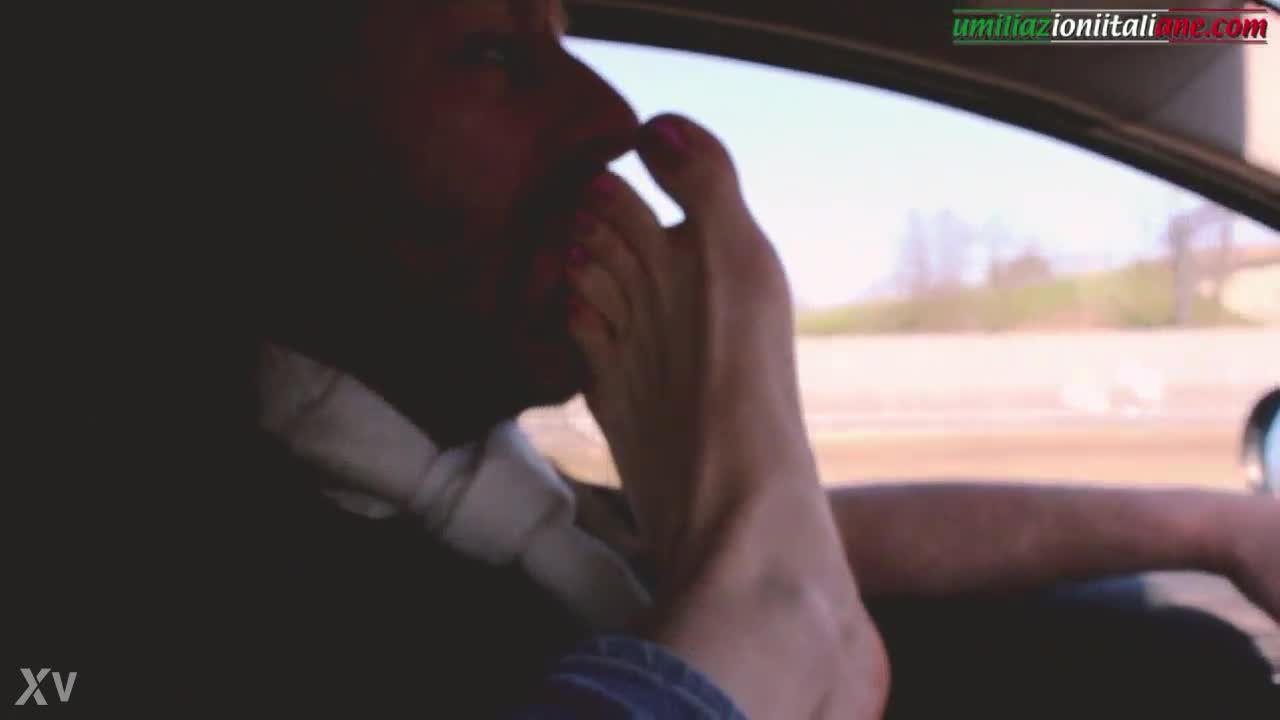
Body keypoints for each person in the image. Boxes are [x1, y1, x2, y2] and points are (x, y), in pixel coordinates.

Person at [16, 0, 1277, 717]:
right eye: (493, 53)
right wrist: (740, 642)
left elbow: (755, 546)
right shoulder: (117, 568)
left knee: (1177, 663)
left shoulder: (472, 493)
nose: (609, 115)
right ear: (259, 156)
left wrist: (1204, 526)